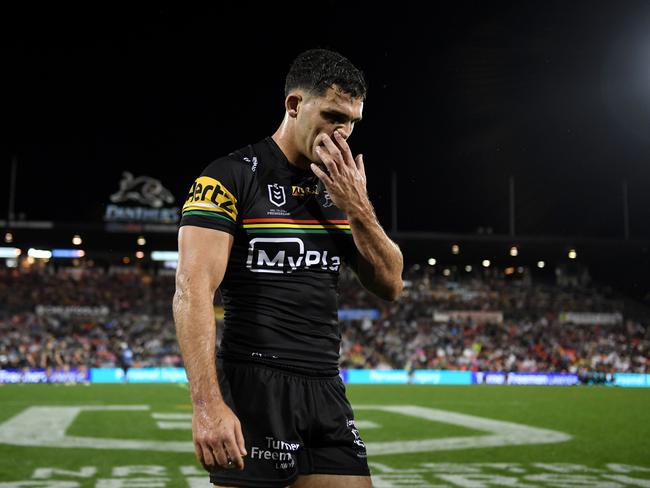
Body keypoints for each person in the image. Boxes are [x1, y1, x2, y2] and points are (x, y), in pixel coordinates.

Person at [173, 48, 404, 488]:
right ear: (294, 105)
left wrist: (359, 206)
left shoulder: (341, 190)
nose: (344, 132)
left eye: (353, 121)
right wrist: (206, 405)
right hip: (254, 387)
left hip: (325, 385)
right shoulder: (229, 177)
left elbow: (391, 284)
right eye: (334, 115)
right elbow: (192, 289)